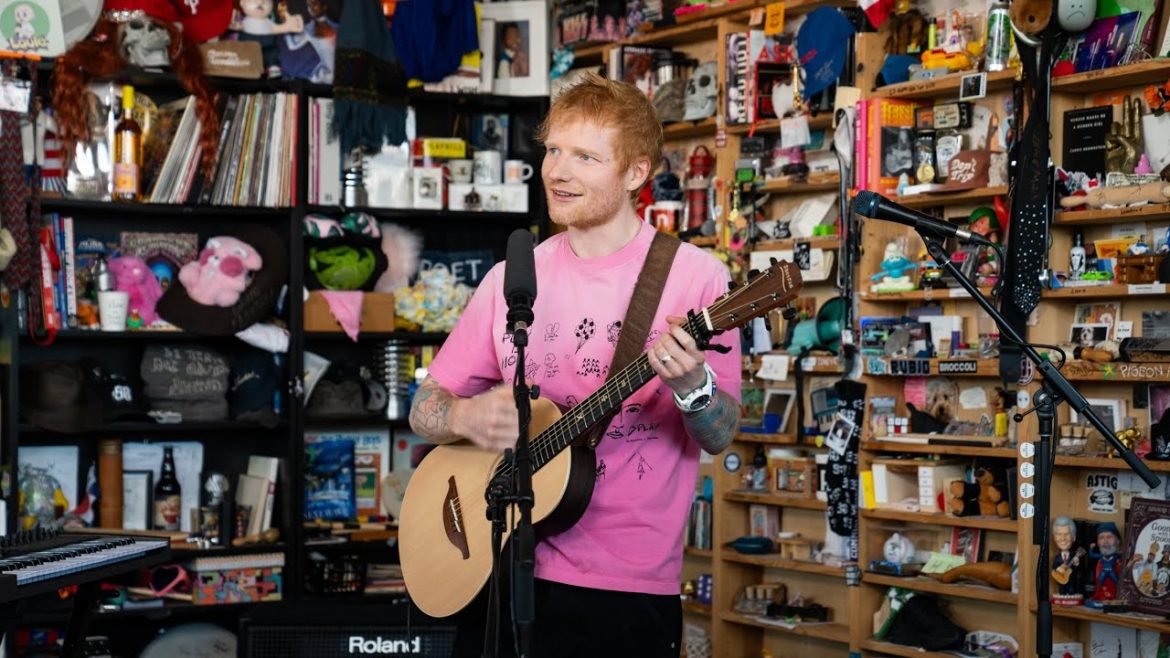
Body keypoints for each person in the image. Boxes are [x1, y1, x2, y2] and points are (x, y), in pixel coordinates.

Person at [408, 72, 741, 657]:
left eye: (585, 156)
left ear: (636, 173)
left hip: (625, 590)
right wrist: (463, 417)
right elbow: (424, 409)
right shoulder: (513, 277)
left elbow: (719, 434)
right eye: (553, 150)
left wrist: (692, 385)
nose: (557, 172)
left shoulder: (697, 279)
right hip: (498, 567)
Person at [1087, 521, 1121, 607]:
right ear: (1097, 543)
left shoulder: (1119, 561)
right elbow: (1092, 555)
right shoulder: (1100, 561)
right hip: (1102, 595)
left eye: (1109, 537)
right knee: (1100, 583)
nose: (1105, 541)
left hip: (1116, 596)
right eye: (1101, 538)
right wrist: (1091, 548)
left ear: (1117, 541)